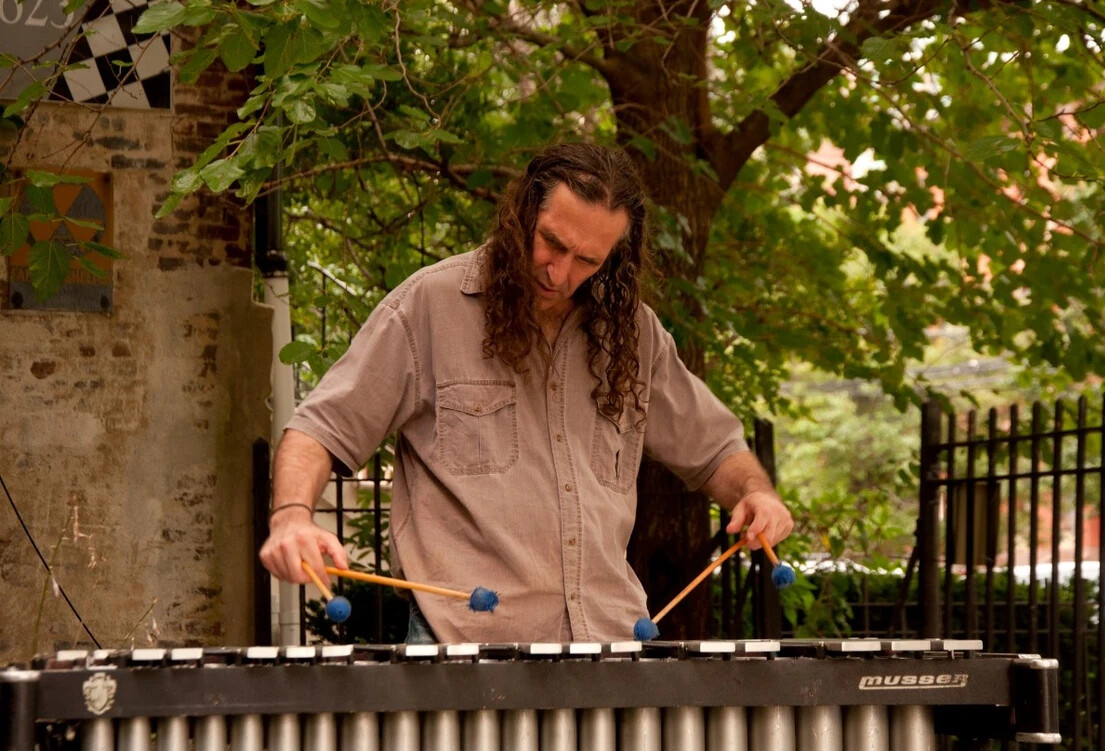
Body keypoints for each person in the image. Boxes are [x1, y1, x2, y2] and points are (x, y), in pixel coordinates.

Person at [260, 142, 793, 643]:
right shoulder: (429, 307)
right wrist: (290, 516)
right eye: (553, 243)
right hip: (464, 646)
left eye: (588, 260)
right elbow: (319, 429)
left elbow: (718, 450)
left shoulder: (635, 334)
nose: (560, 273)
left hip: (608, 645)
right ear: (522, 214)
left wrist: (757, 494)